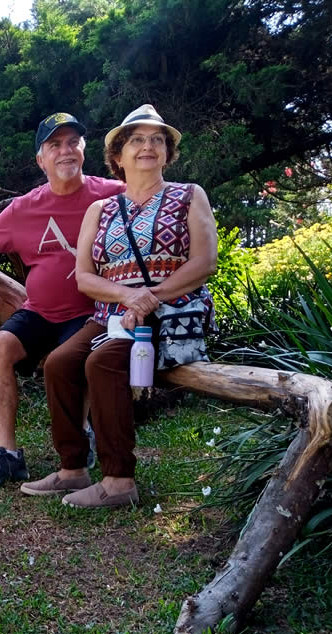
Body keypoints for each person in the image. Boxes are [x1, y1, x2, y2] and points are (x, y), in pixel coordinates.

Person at [37, 103, 218, 507]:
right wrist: (127, 297)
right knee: (59, 364)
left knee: (102, 363)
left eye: (157, 140)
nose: (148, 146)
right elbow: (84, 276)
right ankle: (72, 469)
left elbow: (205, 263)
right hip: (113, 314)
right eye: (136, 139)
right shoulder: (100, 210)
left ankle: (119, 480)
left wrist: (148, 298)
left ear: (168, 154)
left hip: (170, 311)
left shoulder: (190, 195)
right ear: (118, 156)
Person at [0, 112, 125, 487]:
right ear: (41, 160)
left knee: (70, 360)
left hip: (91, 312)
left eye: (72, 142)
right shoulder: (23, 208)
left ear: (84, 151)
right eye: (54, 145)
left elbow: (150, 207)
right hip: (40, 312)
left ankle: (84, 437)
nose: (65, 151)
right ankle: (8, 456)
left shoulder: (112, 194)